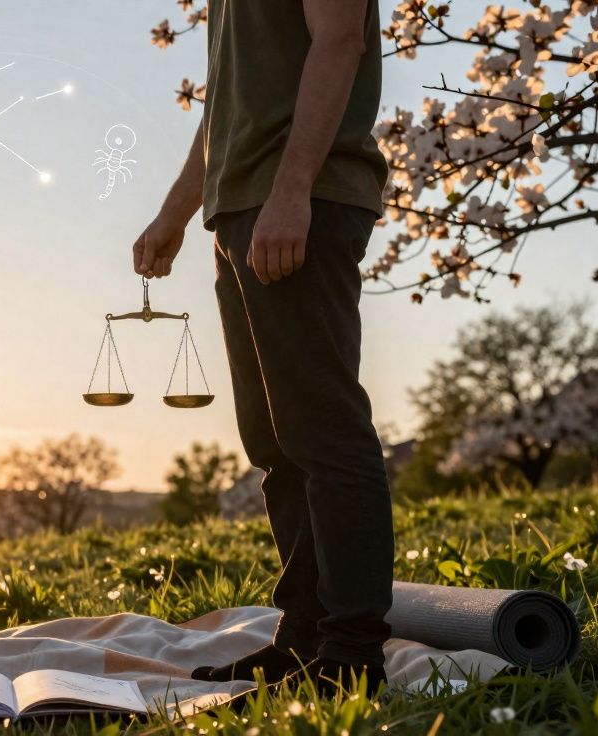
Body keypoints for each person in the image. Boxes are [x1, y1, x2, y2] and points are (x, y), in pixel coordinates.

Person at [132, 0, 394, 694]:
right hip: (241, 209)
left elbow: (340, 43)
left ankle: (353, 655)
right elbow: (224, 103)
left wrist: (292, 192)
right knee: (276, 445)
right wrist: (174, 213)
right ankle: (303, 639)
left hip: (299, 201)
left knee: (325, 432)